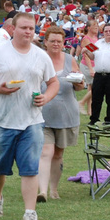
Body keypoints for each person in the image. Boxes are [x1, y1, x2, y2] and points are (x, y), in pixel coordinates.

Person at [0, 12, 59, 220]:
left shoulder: (41, 56)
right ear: (13, 29)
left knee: (30, 167)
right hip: (0, 121)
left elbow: (53, 82)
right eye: (24, 28)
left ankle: (30, 211)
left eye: (31, 28)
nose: (28, 32)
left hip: (31, 121)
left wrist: (45, 97)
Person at [37, 26, 85, 202]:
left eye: (59, 41)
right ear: (46, 43)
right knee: (45, 152)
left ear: (63, 43)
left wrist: (79, 82)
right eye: (52, 41)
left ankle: (54, 190)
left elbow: (80, 85)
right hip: (42, 115)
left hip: (66, 115)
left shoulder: (69, 60)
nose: (56, 44)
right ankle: (42, 191)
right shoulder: (39, 59)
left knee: (58, 154)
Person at [76, 20, 99, 115]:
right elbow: (86, 55)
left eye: (97, 25)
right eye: (94, 26)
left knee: (91, 88)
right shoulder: (86, 39)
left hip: (95, 64)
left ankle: (90, 111)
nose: (96, 27)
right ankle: (81, 102)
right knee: (97, 86)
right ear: (88, 28)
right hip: (87, 65)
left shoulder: (96, 38)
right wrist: (90, 69)